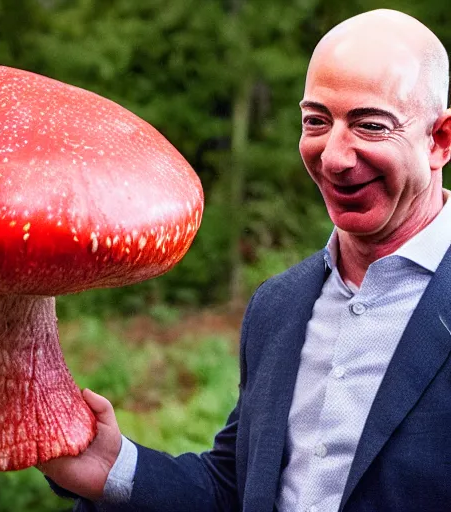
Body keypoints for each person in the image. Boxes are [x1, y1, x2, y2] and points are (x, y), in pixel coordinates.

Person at [39, 8, 451, 511]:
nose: (334, 156)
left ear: (439, 140)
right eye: (316, 121)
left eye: (369, 125)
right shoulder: (278, 305)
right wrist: (114, 467)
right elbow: (236, 490)